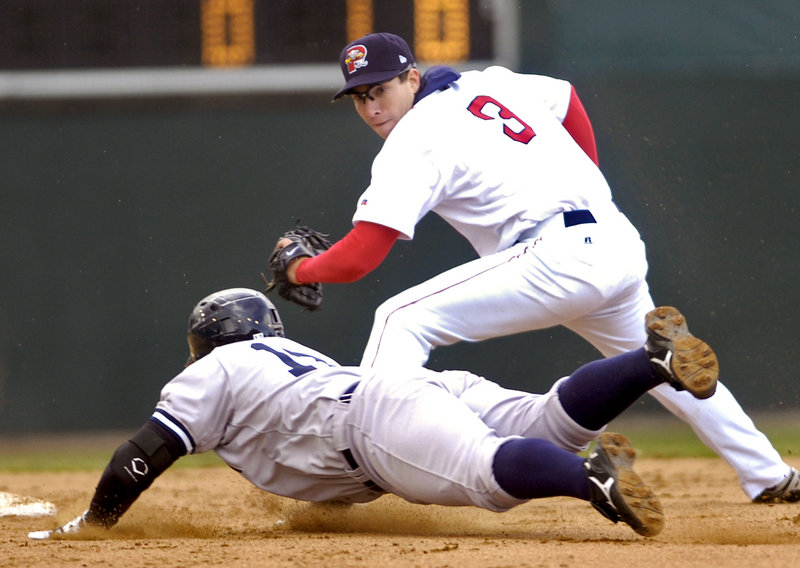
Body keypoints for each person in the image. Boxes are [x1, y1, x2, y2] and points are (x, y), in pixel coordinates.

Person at [272, 32, 798, 503]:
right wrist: (585, 177)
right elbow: (566, 98)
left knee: (399, 318)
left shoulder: (413, 139)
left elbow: (363, 254)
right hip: (614, 242)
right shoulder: (490, 82)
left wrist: (300, 269)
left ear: (412, 78)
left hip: (556, 255)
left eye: (381, 90)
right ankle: (769, 474)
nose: (372, 108)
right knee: (658, 367)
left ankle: (365, 461)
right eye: (360, 97)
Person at [30, 288, 721, 540]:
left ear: (206, 343)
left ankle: (589, 478)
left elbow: (141, 454)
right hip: (408, 391)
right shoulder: (282, 357)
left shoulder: (217, 369)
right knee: (544, 418)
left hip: (374, 426)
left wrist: (96, 525)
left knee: (487, 476)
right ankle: (650, 360)